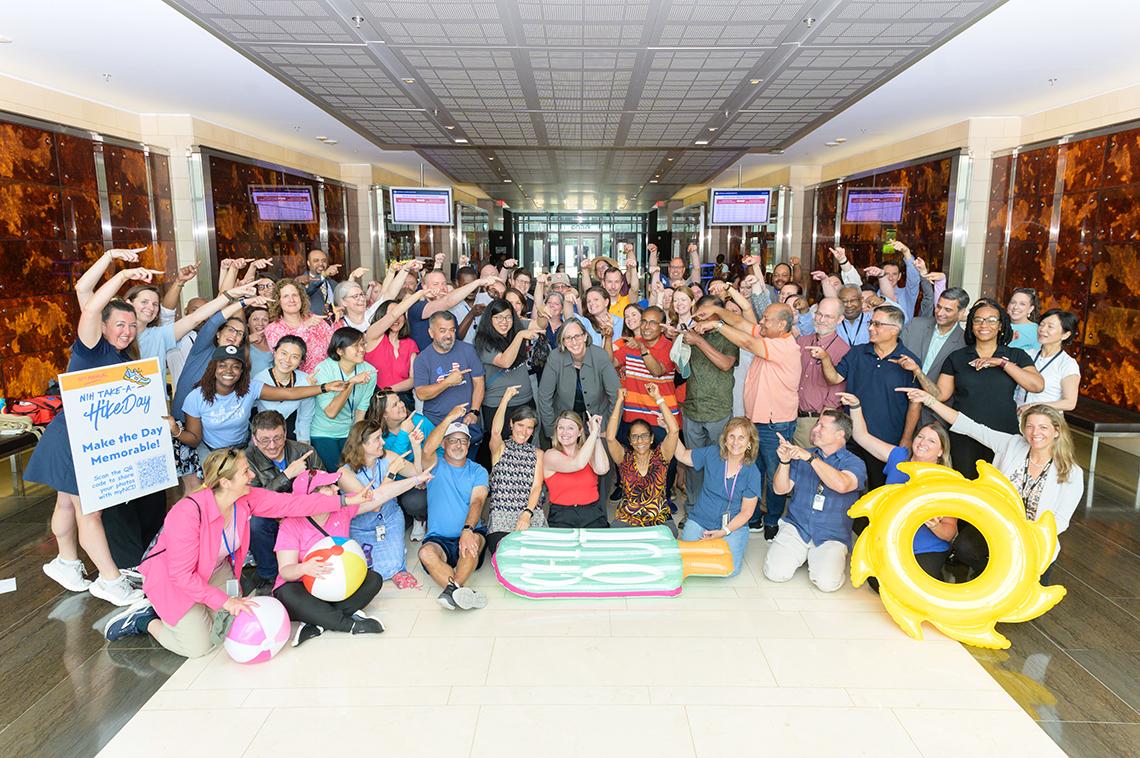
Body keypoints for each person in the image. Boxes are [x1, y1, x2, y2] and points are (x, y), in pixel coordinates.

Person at [102, 448, 375, 655]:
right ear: (224, 482)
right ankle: (144, 620)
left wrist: (345, 500)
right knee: (199, 648)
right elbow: (182, 576)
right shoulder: (187, 512)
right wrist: (226, 602)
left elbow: (291, 505)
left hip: (214, 570)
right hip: (173, 580)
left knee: (229, 626)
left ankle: (181, 613)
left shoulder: (245, 497)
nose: (253, 475)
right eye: (246, 472)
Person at [30, 267, 158, 606]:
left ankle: (66, 562)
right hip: (71, 439)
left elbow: (85, 291)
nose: (128, 331)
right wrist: (121, 268)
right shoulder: (90, 347)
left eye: (132, 326)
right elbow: (87, 301)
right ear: (102, 325)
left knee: (66, 504)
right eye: (120, 324)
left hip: (84, 440)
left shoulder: (119, 354)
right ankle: (109, 579)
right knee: (91, 512)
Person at [899, 389, 1082, 582]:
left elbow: (1060, 521)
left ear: (1057, 431)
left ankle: (1000, 576)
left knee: (1025, 607)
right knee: (965, 547)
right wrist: (929, 400)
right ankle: (989, 574)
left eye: (1043, 427)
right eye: (1030, 426)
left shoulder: (1071, 472)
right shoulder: (1012, 444)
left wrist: (1024, 534)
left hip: (1033, 541)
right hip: (995, 530)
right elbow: (970, 427)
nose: (1035, 433)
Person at [273, 467, 429, 647]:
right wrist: (304, 568)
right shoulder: (291, 524)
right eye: (329, 487)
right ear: (310, 496)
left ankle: (317, 622)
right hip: (301, 588)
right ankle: (351, 625)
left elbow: (379, 496)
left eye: (334, 485)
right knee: (289, 594)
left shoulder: (341, 510)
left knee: (373, 579)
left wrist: (417, 479)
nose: (336, 489)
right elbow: (286, 571)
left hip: (334, 586)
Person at [694, 302, 801, 539]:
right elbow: (743, 325)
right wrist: (718, 311)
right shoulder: (769, 336)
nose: (760, 322)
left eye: (765, 319)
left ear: (782, 324)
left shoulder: (786, 346)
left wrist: (716, 323)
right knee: (753, 471)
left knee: (774, 474)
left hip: (776, 425)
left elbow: (746, 341)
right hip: (756, 422)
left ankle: (772, 519)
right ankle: (752, 518)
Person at [173, 345, 342, 488]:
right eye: (222, 365)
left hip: (243, 449)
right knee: (217, 491)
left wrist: (324, 387)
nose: (229, 371)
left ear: (242, 371)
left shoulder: (249, 388)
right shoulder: (195, 397)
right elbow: (194, 439)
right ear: (213, 368)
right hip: (212, 451)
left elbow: (288, 393)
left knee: (247, 490)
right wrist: (176, 431)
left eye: (235, 366)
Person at [836, 393, 958, 582]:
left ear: (941, 451)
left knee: (915, 586)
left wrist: (935, 526)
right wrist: (855, 406)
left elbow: (949, 532)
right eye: (920, 436)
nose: (923, 443)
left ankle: (935, 572)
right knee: (877, 583)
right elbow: (861, 437)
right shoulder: (899, 456)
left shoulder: (947, 481)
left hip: (927, 546)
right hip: (893, 540)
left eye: (932, 441)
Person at [810, 304, 922, 489]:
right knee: (846, 489)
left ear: (894, 330)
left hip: (886, 441)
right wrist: (825, 358)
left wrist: (907, 439)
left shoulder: (908, 361)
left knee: (879, 491)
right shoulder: (858, 352)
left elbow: (915, 405)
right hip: (851, 438)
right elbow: (834, 378)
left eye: (877, 324)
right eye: (871, 322)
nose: (870, 328)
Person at [936, 297, 1043, 478]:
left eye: (992, 320)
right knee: (965, 486)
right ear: (971, 325)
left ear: (1001, 325)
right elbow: (941, 395)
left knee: (999, 487)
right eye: (978, 320)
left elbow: (1037, 385)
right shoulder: (957, 357)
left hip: (1004, 434)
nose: (984, 324)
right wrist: (917, 372)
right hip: (964, 434)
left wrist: (1002, 363)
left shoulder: (1015, 355)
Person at [763, 410, 868, 592]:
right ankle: (807, 554)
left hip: (832, 535)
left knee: (827, 584)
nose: (815, 429)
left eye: (822, 426)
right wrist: (785, 461)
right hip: (798, 527)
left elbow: (842, 485)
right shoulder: (803, 455)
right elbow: (780, 489)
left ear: (839, 434)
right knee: (774, 573)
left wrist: (811, 459)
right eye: (817, 424)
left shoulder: (854, 462)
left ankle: (816, 556)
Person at [417, 405, 492, 611]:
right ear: (444, 443)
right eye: (452, 440)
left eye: (463, 441)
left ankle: (453, 591)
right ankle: (460, 591)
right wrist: (450, 416)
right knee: (425, 553)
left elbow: (477, 502)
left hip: (470, 533)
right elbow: (427, 448)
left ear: (469, 445)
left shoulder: (478, 471)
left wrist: (467, 530)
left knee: (472, 543)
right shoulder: (434, 464)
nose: (458, 445)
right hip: (438, 538)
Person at [337, 419, 426, 590]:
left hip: (390, 520)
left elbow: (417, 477)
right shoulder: (344, 474)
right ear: (361, 444)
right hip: (361, 526)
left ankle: (397, 567)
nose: (383, 442)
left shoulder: (388, 457)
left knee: (394, 564)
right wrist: (391, 473)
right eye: (377, 438)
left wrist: (416, 447)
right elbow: (373, 504)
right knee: (366, 568)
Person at [672, 418, 762, 576]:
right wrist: (671, 431)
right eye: (732, 436)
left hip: (732, 526)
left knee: (729, 570)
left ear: (749, 443)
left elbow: (747, 512)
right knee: (682, 559)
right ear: (725, 439)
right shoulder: (712, 453)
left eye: (741, 437)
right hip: (701, 519)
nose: (735, 442)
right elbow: (681, 455)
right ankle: (710, 550)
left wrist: (724, 531)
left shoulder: (752, 472)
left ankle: (714, 545)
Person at [244, 410, 322, 593]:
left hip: (303, 511)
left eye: (278, 438)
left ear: (285, 434)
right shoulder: (246, 459)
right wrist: (287, 475)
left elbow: (324, 483)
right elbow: (254, 501)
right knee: (255, 523)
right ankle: (270, 574)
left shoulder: (304, 451)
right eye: (264, 440)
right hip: (270, 515)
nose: (272, 446)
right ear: (254, 439)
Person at [678, 295, 739, 498]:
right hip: (692, 409)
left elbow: (725, 364)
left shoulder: (729, 336)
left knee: (719, 464)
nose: (703, 318)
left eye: (708, 314)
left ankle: (716, 509)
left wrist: (699, 341)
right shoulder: (691, 333)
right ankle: (693, 509)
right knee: (693, 464)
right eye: (700, 313)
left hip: (718, 411)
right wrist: (677, 340)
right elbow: (681, 369)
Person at [605, 386, 679, 534]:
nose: (640, 441)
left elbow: (674, 430)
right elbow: (610, 437)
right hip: (628, 519)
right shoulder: (624, 458)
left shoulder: (661, 456)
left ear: (651, 438)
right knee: (615, 539)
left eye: (644, 436)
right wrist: (620, 401)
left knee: (670, 538)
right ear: (630, 441)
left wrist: (658, 398)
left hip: (659, 518)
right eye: (635, 437)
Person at [484, 386, 547, 555]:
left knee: (538, 554)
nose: (524, 432)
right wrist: (505, 398)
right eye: (520, 425)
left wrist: (527, 513)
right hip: (501, 515)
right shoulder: (500, 448)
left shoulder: (537, 453)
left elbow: (536, 487)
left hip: (529, 513)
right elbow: (495, 431)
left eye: (529, 427)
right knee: (508, 555)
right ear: (511, 424)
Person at [413, 311, 486, 454]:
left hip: (467, 425)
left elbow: (479, 382)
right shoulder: (422, 359)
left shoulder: (468, 350)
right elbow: (421, 393)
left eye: (452, 330)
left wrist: (474, 412)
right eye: (442, 330)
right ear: (431, 332)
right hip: (437, 427)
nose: (448, 335)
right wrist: (447, 382)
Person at [537, 319, 621, 443]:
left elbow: (616, 396)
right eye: (568, 338)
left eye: (577, 336)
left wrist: (609, 427)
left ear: (585, 336)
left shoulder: (600, 356)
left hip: (598, 421)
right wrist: (552, 431)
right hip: (564, 424)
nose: (574, 342)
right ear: (563, 342)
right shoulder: (555, 357)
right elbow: (544, 397)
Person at [365, 389, 433, 541]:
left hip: (421, 477)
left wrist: (426, 475)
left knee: (415, 502)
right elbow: (393, 463)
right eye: (395, 404)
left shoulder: (419, 421)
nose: (401, 405)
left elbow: (439, 450)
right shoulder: (378, 435)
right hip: (392, 481)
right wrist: (403, 433)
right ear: (384, 414)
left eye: (400, 401)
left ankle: (420, 518)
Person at [309, 327, 379, 470]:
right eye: (355, 346)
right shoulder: (324, 369)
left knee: (355, 472)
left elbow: (362, 408)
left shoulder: (369, 371)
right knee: (337, 474)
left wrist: (357, 438)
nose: (362, 349)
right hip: (324, 433)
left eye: (363, 344)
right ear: (340, 351)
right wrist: (351, 382)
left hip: (349, 432)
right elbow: (331, 412)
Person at [611, 306, 680, 444]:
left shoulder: (670, 347)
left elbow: (657, 371)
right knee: (631, 463)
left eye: (653, 322)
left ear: (662, 328)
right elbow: (610, 363)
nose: (646, 326)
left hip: (661, 419)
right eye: (644, 321)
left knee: (662, 463)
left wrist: (642, 348)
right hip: (632, 416)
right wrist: (607, 338)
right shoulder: (633, 344)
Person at [474, 298, 541, 437]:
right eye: (498, 317)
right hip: (498, 405)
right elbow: (505, 362)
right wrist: (520, 336)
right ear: (489, 319)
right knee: (501, 449)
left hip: (525, 400)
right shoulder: (483, 341)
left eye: (508, 317)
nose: (504, 322)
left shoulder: (517, 326)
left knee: (524, 446)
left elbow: (539, 325)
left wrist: (543, 314)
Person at [794, 297, 850, 447]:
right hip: (790, 416)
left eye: (829, 316)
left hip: (815, 421)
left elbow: (834, 398)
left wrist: (820, 426)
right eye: (819, 314)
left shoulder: (844, 351)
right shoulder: (802, 342)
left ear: (840, 319)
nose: (821, 319)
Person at [543, 410, 610, 528]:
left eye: (570, 428)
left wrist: (597, 435)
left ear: (580, 432)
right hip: (562, 515)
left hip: (592, 512)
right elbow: (577, 464)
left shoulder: (587, 451)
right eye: (561, 428)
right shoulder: (550, 455)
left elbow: (602, 469)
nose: (565, 432)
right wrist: (593, 433)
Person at [900, 287, 969, 396]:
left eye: (948, 310)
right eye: (939, 306)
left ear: (961, 313)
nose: (940, 313)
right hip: (901, 397)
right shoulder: (915, 325)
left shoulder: (965, 343)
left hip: (933, 408)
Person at [1015, 309, 1081, 413]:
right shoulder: (1028, 354)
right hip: (1016, 416)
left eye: (1050, 326)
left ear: (1065, 335)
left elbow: (1069, 403)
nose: (1042, 329)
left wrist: (1034, 406)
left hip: (1044, 420)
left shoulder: (1068, 364)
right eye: (1041, 324)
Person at [263, 279, 334, 375]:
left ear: (301, 298)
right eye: (285, 296)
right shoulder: (272, 329)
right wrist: (304, 327)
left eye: (295, 295)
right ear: (278, 301)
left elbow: (335, 345)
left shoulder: (315, 319)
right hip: (299, 384)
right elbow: (285, 360)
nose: (291, 300)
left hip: (327, 378)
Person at [363, 297, 421, 412]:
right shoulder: (372, 337)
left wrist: (388, 390)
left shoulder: (410, 344)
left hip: (403, 401)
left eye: (401, 313)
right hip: (376, 402)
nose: (396, 318)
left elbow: (413, 379)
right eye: (392, 314)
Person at [253, 335, 315, 442]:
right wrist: (304, 389)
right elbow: (277, 415)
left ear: (301, 361)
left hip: (295, 437)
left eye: (294, 357)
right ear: (275, 353)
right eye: (283, 353)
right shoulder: (260, 379)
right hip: (268, 439)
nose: (287, 360)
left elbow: (306, 417)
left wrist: (304, 443)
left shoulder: (304, 378)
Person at [297, 248, 339, 316]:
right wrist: (324, 275)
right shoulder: (300, 280)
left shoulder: (333, 283)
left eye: (324, 261)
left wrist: (352, 278)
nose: (321, 264)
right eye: (316, 260)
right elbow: (307, 289)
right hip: (312, 323)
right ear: (308, 263)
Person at [580, 285, 622, 354]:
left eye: (596, 299)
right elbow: (568, 317)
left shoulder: (621, 322)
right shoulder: (585, 322)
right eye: (588, 301)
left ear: (606, 302)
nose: (591, 303)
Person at [1007, 287, 1040, 352]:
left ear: (1030, 309)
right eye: (1013, 302)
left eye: (1022, 304)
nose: (1016, 307)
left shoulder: (1037, 331)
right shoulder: (999, 325)